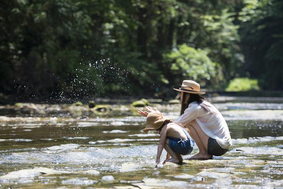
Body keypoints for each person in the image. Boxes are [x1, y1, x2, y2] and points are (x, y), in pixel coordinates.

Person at [138, 80, 232, 160]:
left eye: (181, 93)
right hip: (221, 145)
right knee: (186, 123)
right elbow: (175, 123)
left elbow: (175, 124)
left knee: (189, 122)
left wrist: (157, 117)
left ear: (187, 95)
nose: (180, 96)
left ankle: (203, 153)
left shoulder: (195, 108)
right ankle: (203, 153)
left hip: (217, 145)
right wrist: (157, 117)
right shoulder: (202, 104)